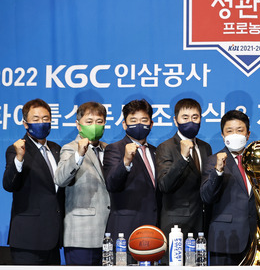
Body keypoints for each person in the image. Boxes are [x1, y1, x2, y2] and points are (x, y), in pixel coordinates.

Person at [3, 98, 64, 264]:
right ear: (25, 123)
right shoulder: (17, 149)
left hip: (53, 239)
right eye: (35, 119)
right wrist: (19, 159)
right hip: (28, 240)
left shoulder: (56, 149)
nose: (41, 123)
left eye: (45, 119)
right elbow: (9, 185)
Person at [54, 102, 111, 265]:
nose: (95, 126)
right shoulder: (70, 149)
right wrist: (79, 154)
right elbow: (60, 179)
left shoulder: (109, 149)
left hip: (108, 235)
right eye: (89, 121)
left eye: (99, 122)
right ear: (78, 125)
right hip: (81, 236)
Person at [103, 99, 159, 261]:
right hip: (125, 233)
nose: (139, 125)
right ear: (124, 125)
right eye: (133, 121)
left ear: (151, 124)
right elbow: (112, 183)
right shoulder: (114, 149)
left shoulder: (156, 151)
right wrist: (126, 161)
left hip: (154, 233)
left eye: (144, 120)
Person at [200, 110, 256, 265]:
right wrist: (218, 171)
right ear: (223, 136)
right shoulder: (212, 161)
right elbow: (206, 197)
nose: (235, 134)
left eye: (240, 130)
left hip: (255, 239)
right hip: (224, 238)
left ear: (248, 134)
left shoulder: (256, 160)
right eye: (229, 131)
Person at [156, 99, 212, 246]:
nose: (191, 122)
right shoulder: (165, 147)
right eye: (185, 118)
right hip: (176, 224)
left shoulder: (205, 147)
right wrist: (182, 157)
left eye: (195, 117)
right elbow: (164, 185)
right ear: (176, 120)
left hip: (202, 223)